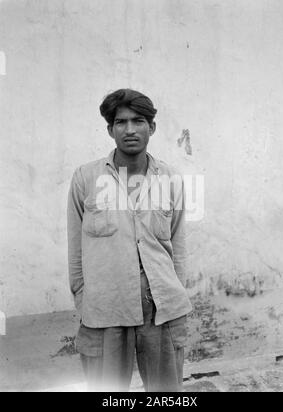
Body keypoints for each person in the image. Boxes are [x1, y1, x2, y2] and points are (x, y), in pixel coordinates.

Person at [67, 89, 193, 392]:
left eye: (138, 121)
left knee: (166, 396)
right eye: (121, 122)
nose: (130, 129)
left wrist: (172, 295)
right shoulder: (85, 178)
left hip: (161, 310)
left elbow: (177, 247)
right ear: (110, 130)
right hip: (105, 310)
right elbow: (75, 250)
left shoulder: (171, 179)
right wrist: (85, 301)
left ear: (152, 127)